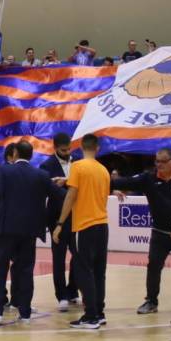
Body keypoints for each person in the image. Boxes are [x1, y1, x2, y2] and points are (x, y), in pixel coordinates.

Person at [0, 141, 54, 324]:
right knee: (26, 270)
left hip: (6, 229)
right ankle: (25, 312)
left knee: (0, 269)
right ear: (31, 155)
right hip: (30, 230)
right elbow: (58, 195)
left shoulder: (3, 171)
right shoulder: (41, 175)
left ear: (14, 153)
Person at [112, 149, 171, 315]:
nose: (158, 165)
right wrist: (109, 185)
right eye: (156, 161)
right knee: (153, 265)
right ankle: (151, 301)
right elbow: (121, 182)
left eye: (162, 161)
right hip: (159, 232)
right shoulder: (148, 178)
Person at [58, 133, 110, 330]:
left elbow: (71, 196)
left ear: (80, 147)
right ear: (97, 148)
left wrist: (60, 222)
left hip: (84, 225)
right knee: (99, 271)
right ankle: (99, 312)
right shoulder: (104, 170)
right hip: (102, 224)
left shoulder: (77, 167)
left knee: (83, 270)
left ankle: (90, 316)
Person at [39, 132, 79, 312]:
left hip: (78, 215)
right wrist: (70, 192)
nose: (68, 152)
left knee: (78, 255)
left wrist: (68, 184)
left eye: (69, 149)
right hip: (56, 216)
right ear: (55, 148)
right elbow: (49, 190)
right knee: (59, 257)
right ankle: (61, 295)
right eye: (64, 150)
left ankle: (72, 290)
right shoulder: (46, 166)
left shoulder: (77, 161)